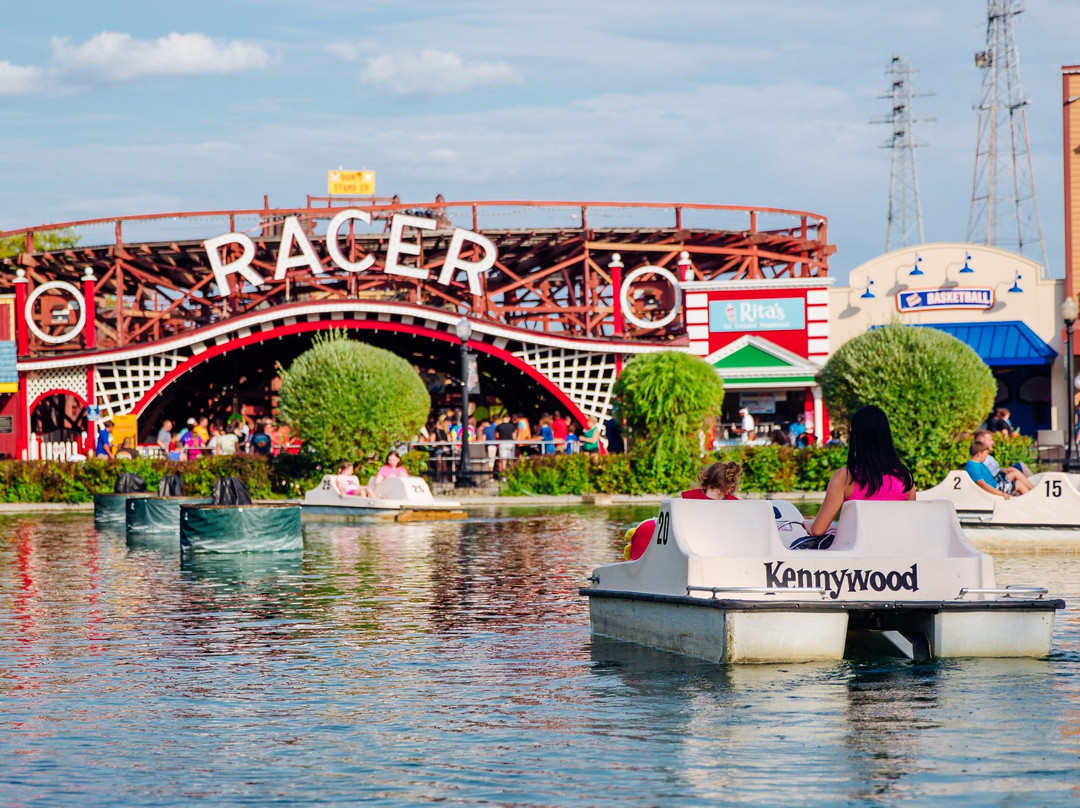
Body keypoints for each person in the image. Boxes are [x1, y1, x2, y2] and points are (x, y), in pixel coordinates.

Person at [803, 405, 916, 543]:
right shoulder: (905, 478)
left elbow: (818, 530)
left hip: (856, 556)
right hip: (897, 553)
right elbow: (910, 525)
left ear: (855, 437)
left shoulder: (844, 478)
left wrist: (809, 525)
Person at [974, 429, 1032, 494]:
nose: (992, 442)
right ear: (981, 442)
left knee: (1020, 466)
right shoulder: (980, 458)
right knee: (1016, 474)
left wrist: (1002, 469)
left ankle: (1033, 487)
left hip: (998, 477)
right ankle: (1034, 490)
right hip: (996, 481)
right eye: (989, 440)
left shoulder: (986, 457)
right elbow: (986, 478)